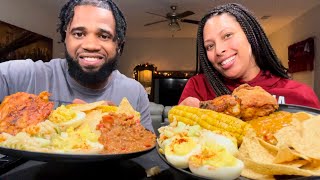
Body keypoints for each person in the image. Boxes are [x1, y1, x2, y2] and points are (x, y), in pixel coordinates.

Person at [0, 0, 154, 131]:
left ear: (118, 45)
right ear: (65, 38)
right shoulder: (23, 76)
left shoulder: (135, 92)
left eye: (104, 36)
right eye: (79, 34)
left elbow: (146, 155)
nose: (91, 45)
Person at [179, 3, 320, 109]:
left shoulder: (300, 94)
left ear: (251, 35)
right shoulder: (199, 87)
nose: (219, 50)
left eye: (227, 35)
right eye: (210, 46)